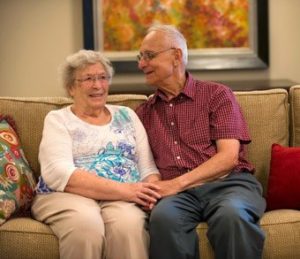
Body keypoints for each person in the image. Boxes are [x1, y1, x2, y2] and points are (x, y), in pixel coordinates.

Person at [136, 24, 266, 259]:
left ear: (176, 56)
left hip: (230, 184)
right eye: (140, 57)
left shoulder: (217, 95)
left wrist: (175, 184)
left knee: (232, 215)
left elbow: (228, 158)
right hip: (177, 197)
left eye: (149, 56)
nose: (141, 64)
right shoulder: (143, 113)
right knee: (163, 219)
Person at [31, 49, 161, 259]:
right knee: (86, 224)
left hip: (121, 200)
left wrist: (150, 194)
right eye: (88, 79)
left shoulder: (127, 115)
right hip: (67, 196)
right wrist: (126, 191)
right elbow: (59, 173)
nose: (97, 85)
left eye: (102, 78)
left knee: (128, 226)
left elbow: (147, 168)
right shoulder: (58, 119)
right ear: (70, 87)